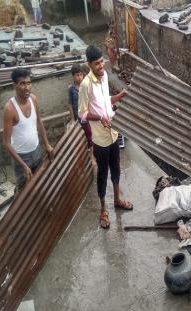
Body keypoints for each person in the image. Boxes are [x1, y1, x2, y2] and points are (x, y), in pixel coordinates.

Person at [78, 45, 133, 229]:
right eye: (97, 63)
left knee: (116, 168)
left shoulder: (105, 77)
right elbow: (83, 114)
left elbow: (105, 102)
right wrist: (99, 117)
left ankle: (117, 199)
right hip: (100, 140)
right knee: (102, 174)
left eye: (102, 61)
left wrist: (119, 96)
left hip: (113, 133)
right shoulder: (85, 84)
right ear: (89, 65)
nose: (101, 65)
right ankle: (103, 209)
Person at [3, 68, 54, 192]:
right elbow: (7, 143)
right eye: (22, 83)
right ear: (14, 85)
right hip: (21, 157)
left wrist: (46, 144)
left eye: (29, 83)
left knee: (39, 182)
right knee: (23, 191)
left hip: (37, 151)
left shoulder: (33, 99)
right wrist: (23, 165)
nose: (27, 87)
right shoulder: (10, 109)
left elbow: (38, 121)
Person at [68, 64, 95, 166]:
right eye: (77, 75)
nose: (80, 77)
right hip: (78, 118)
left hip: (87, 116)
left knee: (90, 136)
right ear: (73, 76)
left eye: (81, 75)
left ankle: (92, 157)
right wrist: (72, 119)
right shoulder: (71, 89)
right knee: (80, 137)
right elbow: (70, 104)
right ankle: (83, 155)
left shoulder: (86, 86)